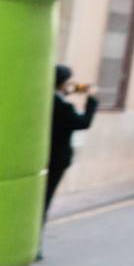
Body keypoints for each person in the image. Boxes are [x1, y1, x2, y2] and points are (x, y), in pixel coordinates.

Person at [42, 65, 96, 235]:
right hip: (57, 158)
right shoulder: (64, 107)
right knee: (45, 199)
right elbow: (83, 123)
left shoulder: (43, 100)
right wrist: (91, 100)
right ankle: (35, 241)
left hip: (41, 157)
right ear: (61, 83)